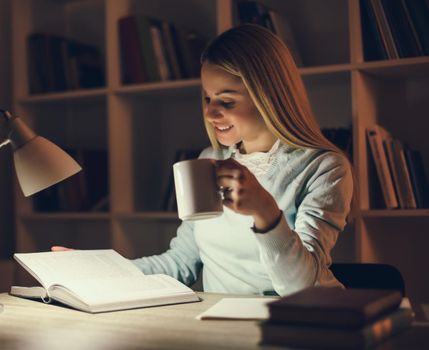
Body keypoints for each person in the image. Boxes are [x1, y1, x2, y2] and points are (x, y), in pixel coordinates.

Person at [54, 24, 353, 297]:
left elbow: (300, 287)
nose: (210, 114)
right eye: (207, 98)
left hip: (304, 322)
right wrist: (96, 270)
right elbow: (180, 263)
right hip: (225, 325)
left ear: (269, 96)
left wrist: (266, 213)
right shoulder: (210, 161)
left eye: (226, 101)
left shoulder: (324, 167)